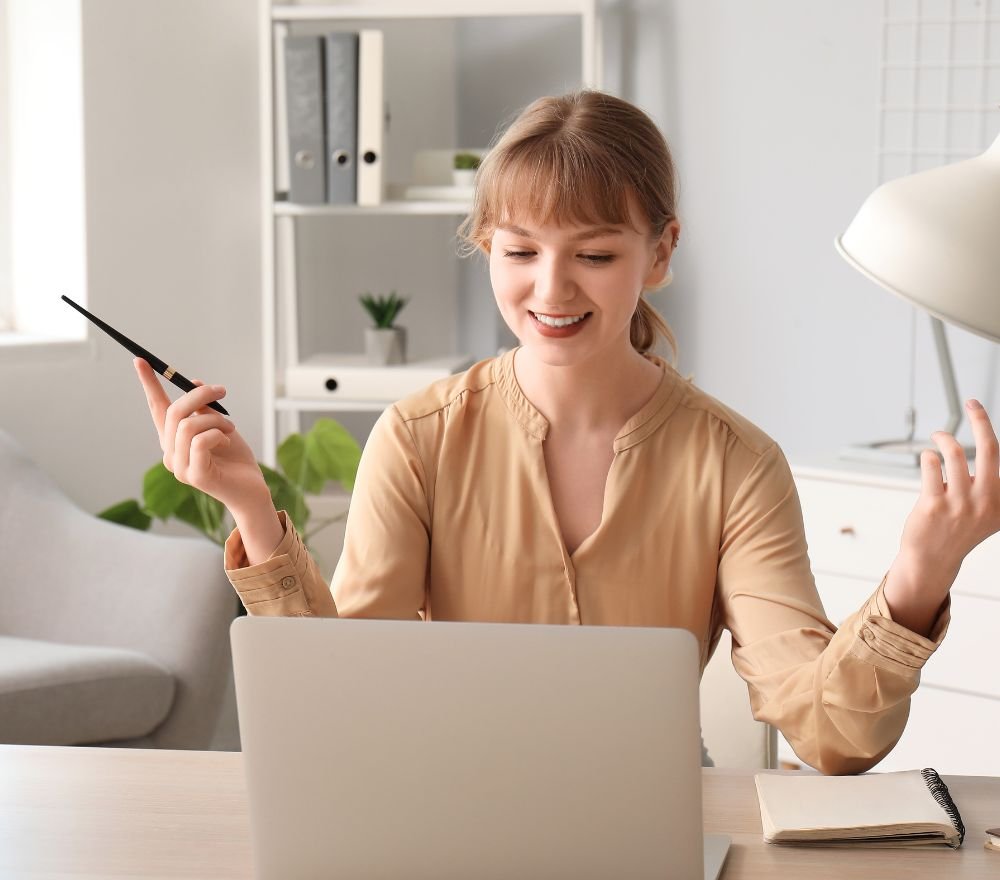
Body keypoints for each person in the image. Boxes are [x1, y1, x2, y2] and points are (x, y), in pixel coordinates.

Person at [135, 90, 1000, 776]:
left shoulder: (736, 463)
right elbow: (343, 697)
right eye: (520, 252)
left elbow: (830, 737)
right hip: (448, 809)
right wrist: (252, 511)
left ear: (660, 253)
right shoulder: (418, 438)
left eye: (594, 255)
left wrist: (919, 575)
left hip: (654, 820)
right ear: (486, 247)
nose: (551, 290)